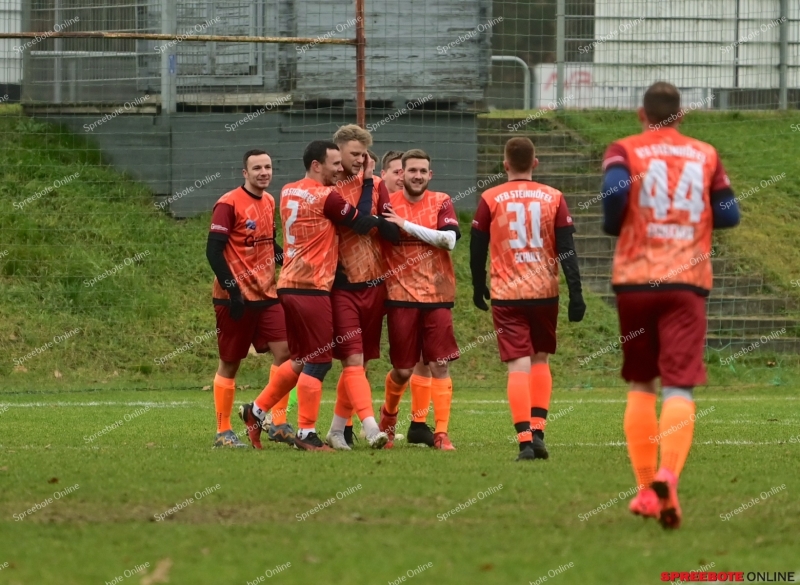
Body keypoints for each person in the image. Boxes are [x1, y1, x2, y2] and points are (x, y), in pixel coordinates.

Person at [602, 81, 739, 529]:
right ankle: (668, 474)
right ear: (681, 116)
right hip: (686, 280)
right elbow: (729, 212)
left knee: (642, 383)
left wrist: (616, 225)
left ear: (641, 114)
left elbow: (616, 193)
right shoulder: (706, 153)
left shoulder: (625, 148)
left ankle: (645, 491)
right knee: (679, 385)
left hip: (636, 280)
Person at [238, 140, 385, 451]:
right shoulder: (325, 195)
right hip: (311, 287)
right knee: (319, 362)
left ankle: (257, 410)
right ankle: (306, 434)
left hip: (288, 283)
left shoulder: (288, 190)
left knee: (301, 358)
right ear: (317, 165)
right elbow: (359, 222)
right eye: (334, 163)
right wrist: (370, 182)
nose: (339, 169)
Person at [470, 137, 585, 462]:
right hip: (544, 293)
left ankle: (524, 441)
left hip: (507, 294)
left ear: (505, 165)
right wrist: (576, 294)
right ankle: (538, 431)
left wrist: (478, 286)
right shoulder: (553, 197)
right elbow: (567, 249)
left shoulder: (490, 198)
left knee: (517, 365)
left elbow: (477, 248)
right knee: (540, 360)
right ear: (535, 163)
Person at [205, 149, 293, 448]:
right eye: (256, 168)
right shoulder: (228, 203)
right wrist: (232, 290)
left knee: (287, 355)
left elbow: (268, 244)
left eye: (268, 166)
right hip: (235, 298)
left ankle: (277, 422)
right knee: (230, 363)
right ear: (245, 172)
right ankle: (223, 432)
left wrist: (291, 261)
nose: (263, 172)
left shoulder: (269, 201)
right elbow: (213, 251)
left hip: (268, 294)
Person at [378, 149, 461, 450]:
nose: (417, 176)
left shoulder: (442, 201)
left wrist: (405, 225)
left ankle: (440, 432)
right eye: (411, 170)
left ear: (430, 174)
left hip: (438, 295)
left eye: (422, 171)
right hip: (399, 296)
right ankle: (388, 417)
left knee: (439, 363)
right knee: (402, 370)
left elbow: (449, 240)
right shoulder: (387, 204)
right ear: (401, 174)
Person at [325, 125, 399, 450]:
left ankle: (337, 430)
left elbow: (385, 225)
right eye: (354, 153)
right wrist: (367, 182)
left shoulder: (380, 185)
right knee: (352, 361)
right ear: (337, 151)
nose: (359, 159)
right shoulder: (329, 186)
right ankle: (370, 428)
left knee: (360, 364)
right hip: (342, 285)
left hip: (374, 285)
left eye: (363, 154)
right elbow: (358, 220)